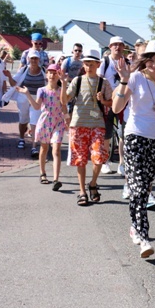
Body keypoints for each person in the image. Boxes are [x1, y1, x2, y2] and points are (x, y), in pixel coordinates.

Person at [113, 40, 155, 258]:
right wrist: (124, 81)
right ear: (145, 60)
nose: (154, 64)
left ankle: (134, 226)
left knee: (142, 188)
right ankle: (144, 237)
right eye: (151, 60)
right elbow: (116, 107)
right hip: (135, 136)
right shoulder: (134, 78)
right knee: (140, 188)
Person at [60, 49, 113, 206]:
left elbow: (112, 103)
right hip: (78, 124)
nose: (88, 66)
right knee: (80, 159)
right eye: (86, 63)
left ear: (98, 64)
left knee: (98, 157)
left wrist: (103, 101)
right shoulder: (77, 81)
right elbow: (64, 100)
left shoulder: (104, 82)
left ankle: (93, 183)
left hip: (97, 124)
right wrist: (63, 84)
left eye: (91, 64)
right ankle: (82, 191)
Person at [17, 64, 66, 191]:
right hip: (45, 122)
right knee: (44, 148)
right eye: (49, 72)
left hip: (58, 123)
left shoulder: (62, 90)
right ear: (47, 75)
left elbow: (64, 104)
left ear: (59, 74)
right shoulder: (42, 90)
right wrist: (27, 94)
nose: (51, 75)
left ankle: (56, 179)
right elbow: (37, 107)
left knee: (56, 150)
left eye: (54, 72)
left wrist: (64, 83)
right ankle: (42, 173)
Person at [5, 50, 46, 156]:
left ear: (39, 60)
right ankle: (21, 138)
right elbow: (14, 83)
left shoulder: (44, 71)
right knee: (23, 119)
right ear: (28, 59)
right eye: (32, 58)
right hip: (23, 97)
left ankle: (34, 147)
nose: (34, 60)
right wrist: (9, 76)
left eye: (36, 58)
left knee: (35, 121)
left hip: (37, 99)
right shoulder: (24, 70)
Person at [99, 36, 128, 175]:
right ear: (110, 47)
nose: (117, 47)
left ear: (123, 47)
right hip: (107, 102)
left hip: (123, 102)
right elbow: (99, 80)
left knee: (123, 133)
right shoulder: (105, 61)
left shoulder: (127, 62)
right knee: (107, 133)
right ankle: (106, 162)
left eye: (120, 45)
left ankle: (122, 164)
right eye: (114, 45)